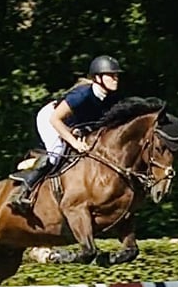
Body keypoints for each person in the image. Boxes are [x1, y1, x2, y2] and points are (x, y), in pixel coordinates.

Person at [9, 55, 125, 212]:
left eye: (116, 75)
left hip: (73, 124)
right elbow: (55, 119)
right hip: (50, 118)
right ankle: (23, 191)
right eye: (111, 75)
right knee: (56, 153)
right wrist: (75, 142)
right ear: (98, 78)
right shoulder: (82, 95)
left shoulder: (110, 98)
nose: (115, 78)